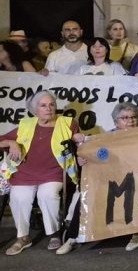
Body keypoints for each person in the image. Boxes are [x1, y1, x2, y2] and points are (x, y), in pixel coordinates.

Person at [58, 102, 138, 254]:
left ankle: (137, 234)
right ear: (116, 122)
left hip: (137, 179)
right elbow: (97, 155)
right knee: (86, 194)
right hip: (110, 179)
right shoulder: (104, 138)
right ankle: (72, 237)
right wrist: (83, 159)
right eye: (125, 118)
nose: (130, 121)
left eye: (133, 117)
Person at [1, 91, 79, 256]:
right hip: (25, 173)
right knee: (18, 197)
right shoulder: (26, 124)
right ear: (34, 110)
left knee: (47, 194)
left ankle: (54, 234)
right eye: (43, 105)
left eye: (51, 104)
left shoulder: (68, 123)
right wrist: (11, 142)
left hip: (54, 172)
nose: (49, 108)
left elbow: (78, 144)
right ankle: (23, 237)